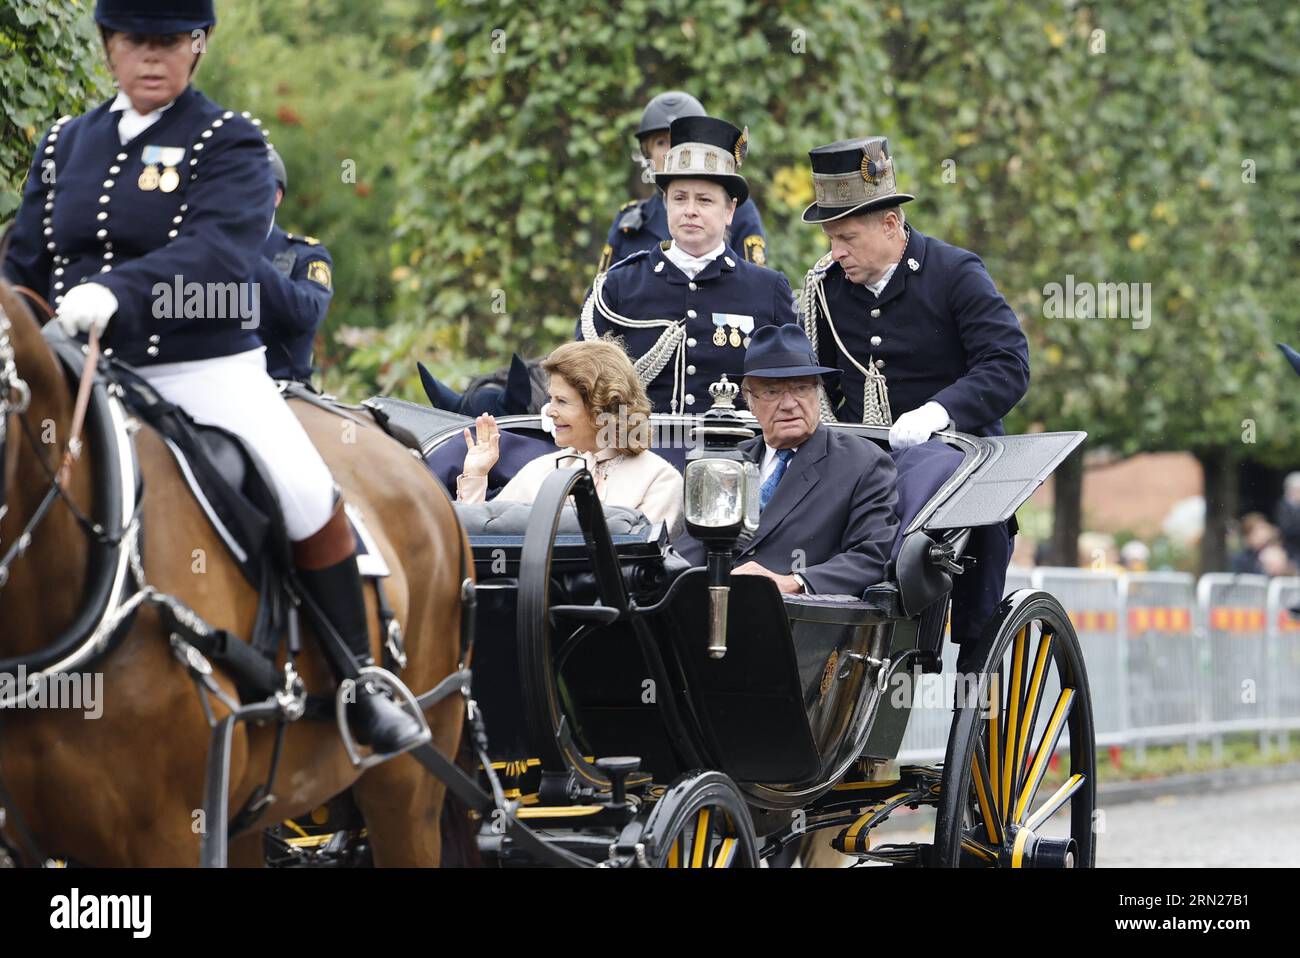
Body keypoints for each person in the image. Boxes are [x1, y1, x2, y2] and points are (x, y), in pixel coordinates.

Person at [2, 0, 421, 753]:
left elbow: (223, 256)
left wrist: (119, 293)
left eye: (170, 40)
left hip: (202, 368)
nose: (151, 57)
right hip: (78, 367)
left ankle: (360, 679)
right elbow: (24, 257)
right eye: (136, 40)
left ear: (198, 46)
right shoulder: (66, 143)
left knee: (301, 487)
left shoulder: (230, 143)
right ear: (108, 45)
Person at [796, 136, 1030, 672]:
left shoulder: (955, 273)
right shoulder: (826, 290)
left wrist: (939, 411)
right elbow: (817, 384)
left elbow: (1009, 364)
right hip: (862, 465)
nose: (836, 252)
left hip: (960, 465)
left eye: (847, 237)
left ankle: (974, 696)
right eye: (831, 239)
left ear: (889, 223)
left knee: (983, 555)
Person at [579, 115, 796, 415]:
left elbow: (795, 387)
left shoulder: (768, 290)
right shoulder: (617, 286)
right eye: (680, 198)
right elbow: (582, 381)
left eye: (705, 200)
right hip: (639, 449)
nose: (690, 211)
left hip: (741, 453)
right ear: (666, 202)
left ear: (730, 210)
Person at [674, 324, 899, 595]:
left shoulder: (863, 463)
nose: (789, 403)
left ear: (819, 394)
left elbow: (872, 556)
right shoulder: (726, 463)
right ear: (750, 402)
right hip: (711, 607)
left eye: (801, 388)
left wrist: (794, 582)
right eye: (772, 392)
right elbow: (694, 544)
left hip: (798, 622)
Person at [457, 340, 684, 537]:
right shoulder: (540, 470)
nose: (549, 410)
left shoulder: (660, 480)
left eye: (562, 401)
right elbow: (482, 541)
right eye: (551, 399)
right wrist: (476, 476)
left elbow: (644, 566)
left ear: (601, 406)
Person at [596, 91, 769, 273]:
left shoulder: (738, 211)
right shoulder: (629, 221)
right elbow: (600, 294)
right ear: (648, 154)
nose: (672, 152)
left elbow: (753, 285)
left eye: (680, 142)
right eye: (661, 142)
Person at [256, 146, 333, 383]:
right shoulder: (205, 248)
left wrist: (244, 254)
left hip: (282, 389)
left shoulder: (305, 254)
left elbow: (307, 313)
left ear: (277, 196)